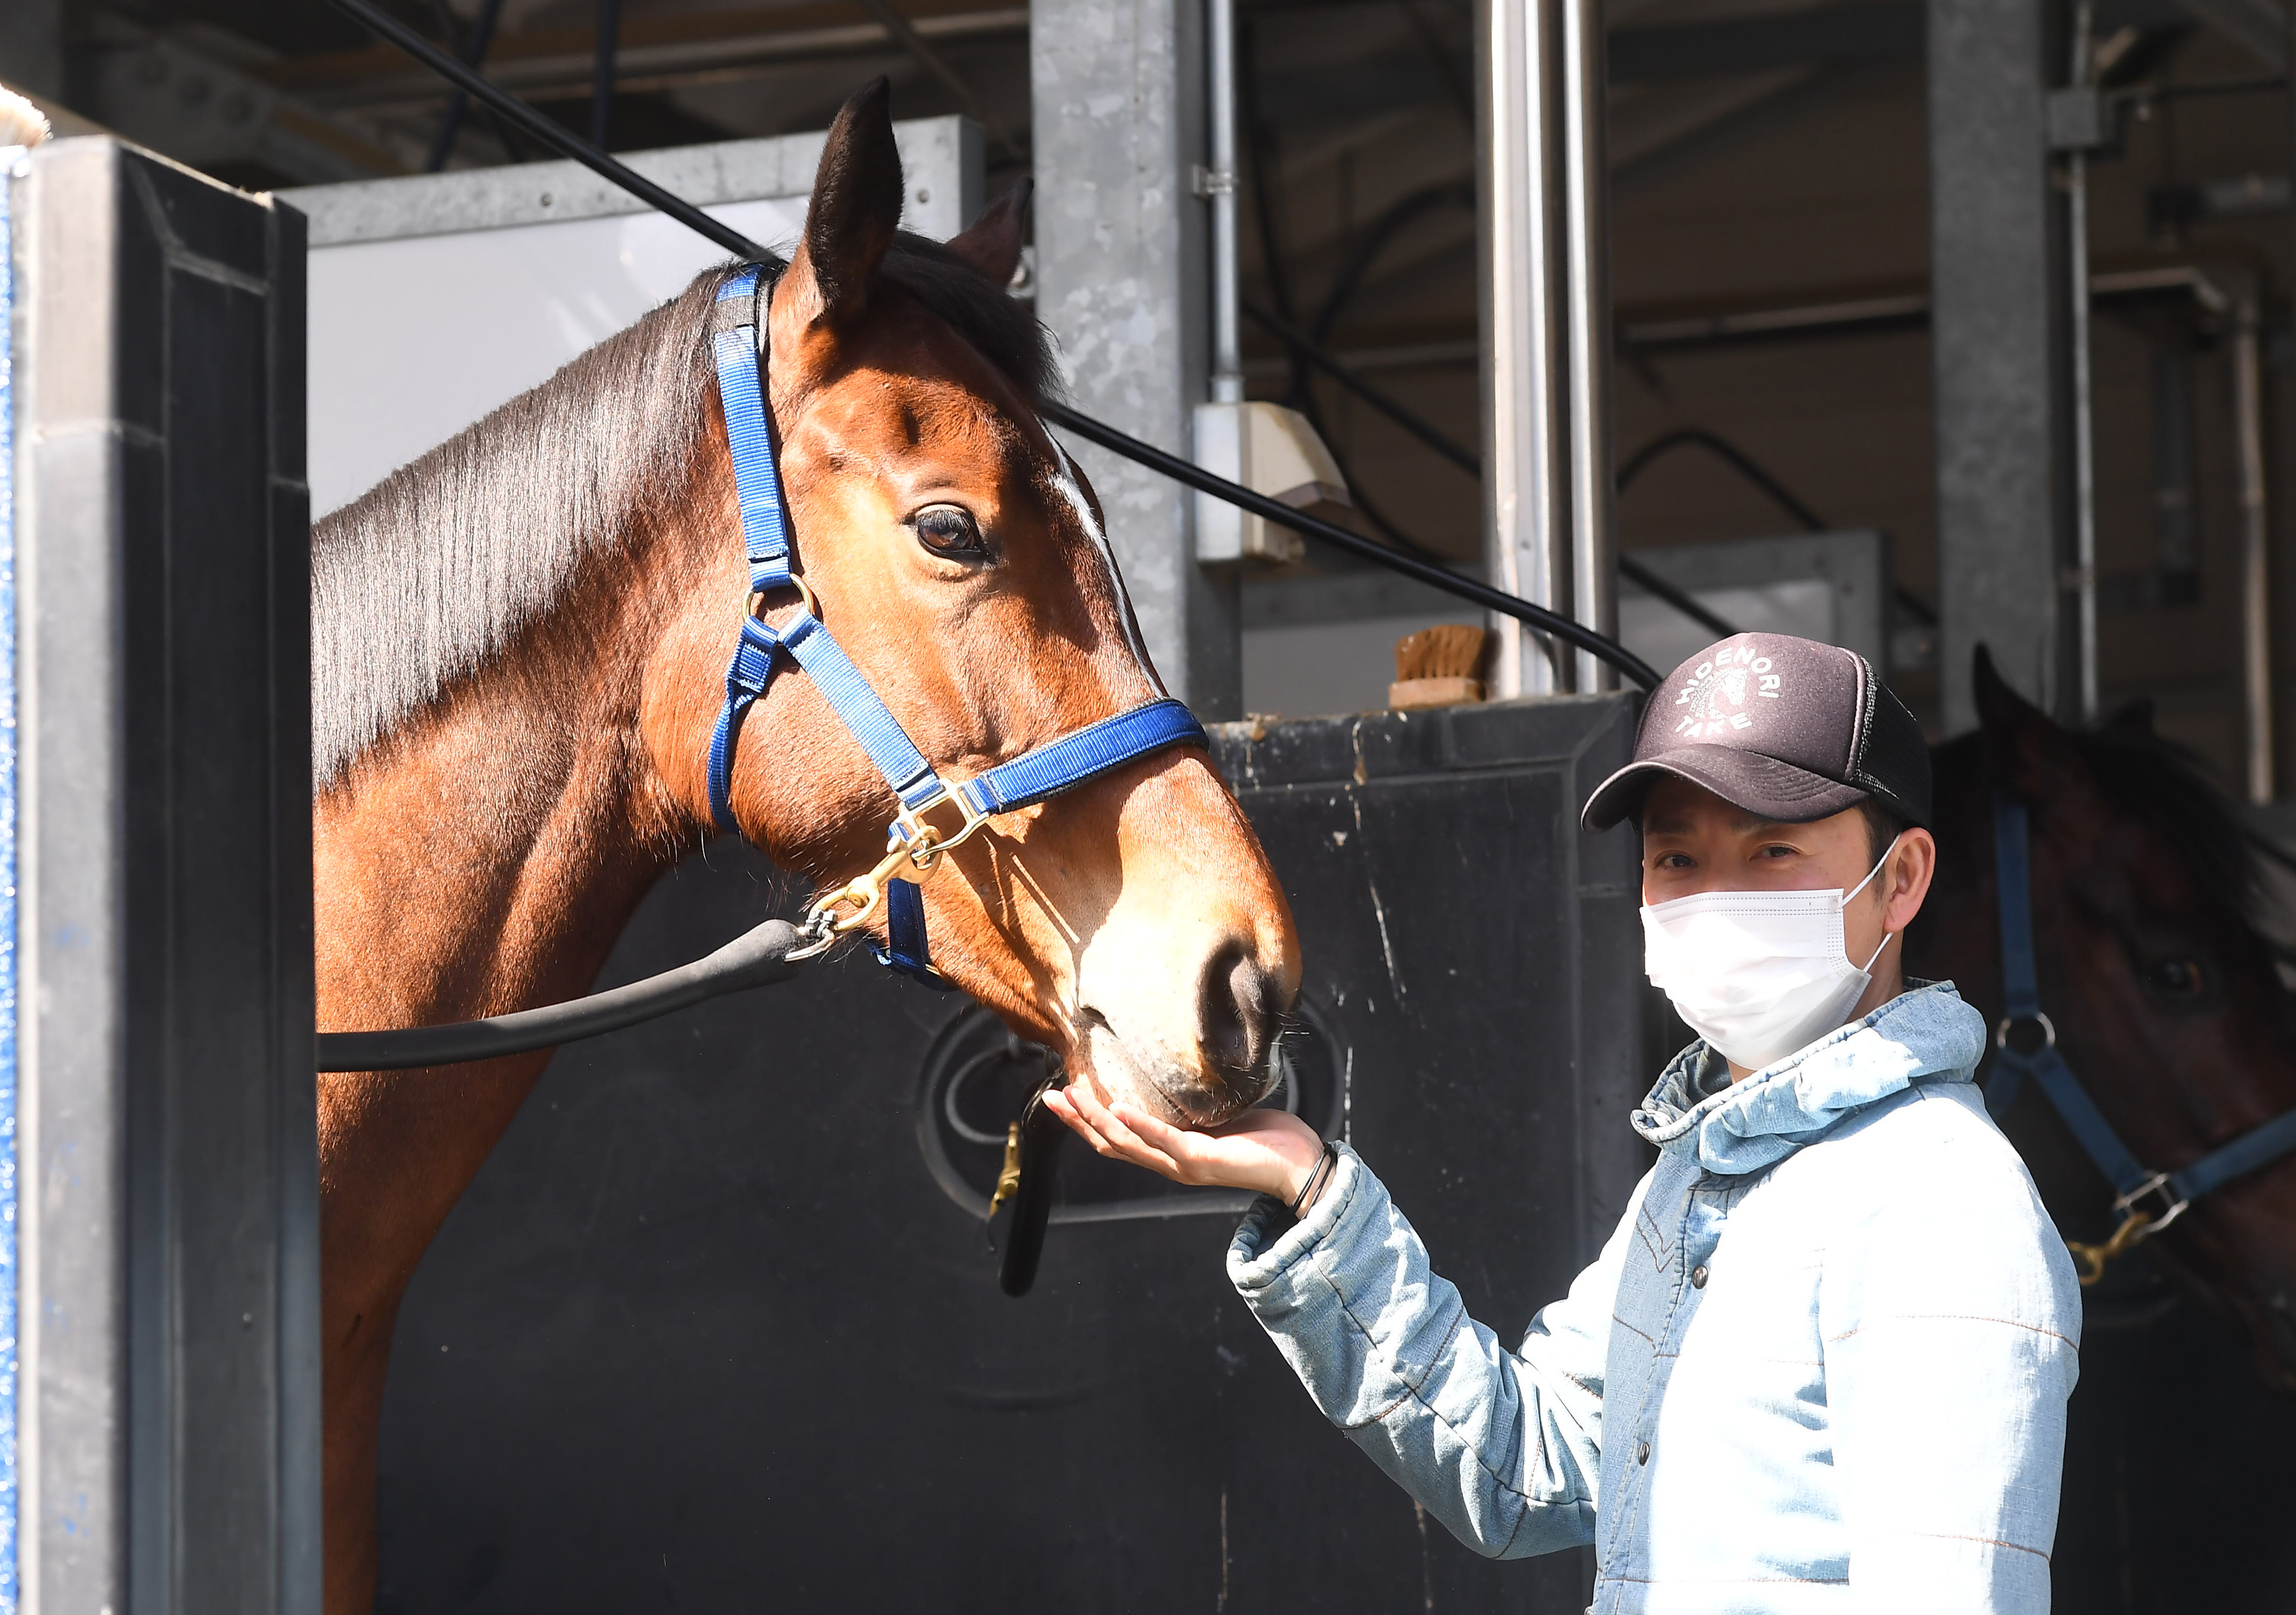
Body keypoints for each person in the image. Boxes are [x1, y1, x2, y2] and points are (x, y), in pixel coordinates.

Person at [1048, 632, 2080, 1612]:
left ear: (1899, 879)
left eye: (1773, 851)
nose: (1715, 896)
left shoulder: (1936, 1196)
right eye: (1676, 860)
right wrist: (1314, 1193)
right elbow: (1529, 1468)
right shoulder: (1704, 1170)